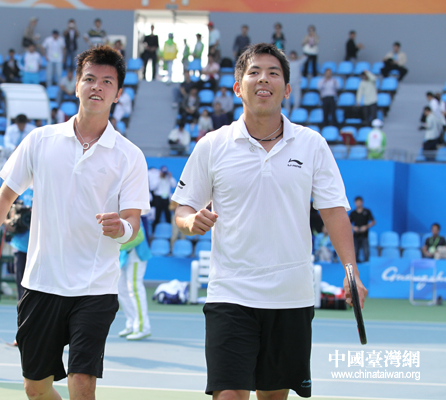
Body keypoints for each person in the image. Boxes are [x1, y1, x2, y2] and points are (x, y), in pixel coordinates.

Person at [172, 43, 366, 400]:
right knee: (228, 395)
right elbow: (182, 209)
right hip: (230, 293)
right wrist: (190, 222)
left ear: (287, 89)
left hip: (290, 296)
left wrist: (350, 271)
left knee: (274, 397)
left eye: (273, 73)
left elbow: (334, 211)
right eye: (254, 72)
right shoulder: (212, 145)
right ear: (238, 87)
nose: (264, 79)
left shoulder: (312, 145)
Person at [0, 45, 149, 400]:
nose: (97, 87)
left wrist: (122, 228)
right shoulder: (40, 140)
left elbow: (133, 223)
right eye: (90, 79)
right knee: (36, 389)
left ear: (118, 93)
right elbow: (4, 197)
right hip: (41, 282)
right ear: (76, 85)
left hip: (95, 287)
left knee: (81, 383)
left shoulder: (130, 156)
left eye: (107, 82)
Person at [118, 219, 152, 340]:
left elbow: (139, 236)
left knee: (135, 290)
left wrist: (118, 245)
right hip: (123, 257)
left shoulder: (133, 213)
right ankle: (132, 323)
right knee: (121, 290)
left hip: (136, 256)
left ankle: (143, 327)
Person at [349, 196, 375, 263]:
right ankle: (356, 266)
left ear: (362, 202)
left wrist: (366, 227)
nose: (358, 203)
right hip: (356, 235)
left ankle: (366, 264)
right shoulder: (353, 213)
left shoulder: (367, 211)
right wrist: (353, 227)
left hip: (364, 235)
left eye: (359, 202)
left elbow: (373, 222)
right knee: (355, 252)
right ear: (355, 203)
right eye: (357, 202)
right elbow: (348, 223)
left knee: (366, 252)